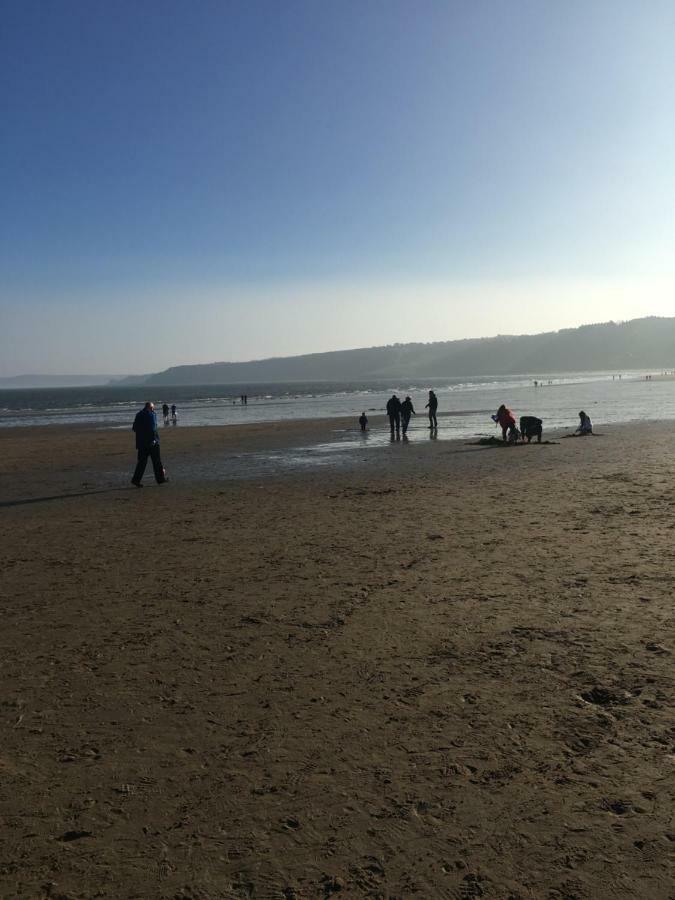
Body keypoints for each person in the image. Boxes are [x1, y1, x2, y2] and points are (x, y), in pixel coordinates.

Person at [131, 402, 168, 487]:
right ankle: (160, 479)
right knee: (157, 462)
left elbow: (134, 428)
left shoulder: (139, 414)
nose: (153, 409)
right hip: (152, 443)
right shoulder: (151, 414)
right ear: (150, 408)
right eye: (153, 408)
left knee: (141, 463)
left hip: (141, 443)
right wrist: (154, 439)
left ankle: (136, 480)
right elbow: (153, 428)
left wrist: (141, 435)